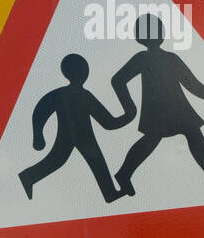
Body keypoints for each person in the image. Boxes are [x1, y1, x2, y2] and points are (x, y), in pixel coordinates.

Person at [111, 14, 204, 195]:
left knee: (189, 134)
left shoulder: (169, 58)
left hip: (176, 108)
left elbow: (192, 84)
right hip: (161, 110)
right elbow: (117, 80)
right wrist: (129, 108)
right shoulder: (145, 58)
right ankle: (124, 173)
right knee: (156, 139)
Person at [18, 53, 129, 203]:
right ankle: (28, 177)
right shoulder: (74, 95)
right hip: (73, 136)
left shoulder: (73, 94)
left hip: (81, 136)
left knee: (83, 161)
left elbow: (107, 122)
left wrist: (127, 117)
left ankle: (109, 192)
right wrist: (37, 135)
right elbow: (42, 110)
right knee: (63, 160)